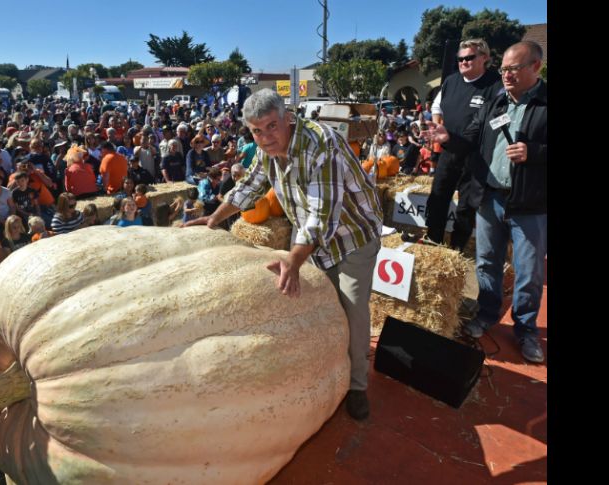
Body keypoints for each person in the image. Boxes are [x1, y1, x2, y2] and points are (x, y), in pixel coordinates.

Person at [184, 89, 382, 420]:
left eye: (272, 126)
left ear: (287, 117)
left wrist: (294, 257)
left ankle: (358, 384)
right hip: (309, 234)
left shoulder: (322, 144)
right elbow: (250, 187)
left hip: (352, 237)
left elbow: (323, 216)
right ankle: (328, 365)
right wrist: (214, 218)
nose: (265, 137)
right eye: (256, 131)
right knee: (314, 304)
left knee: (352, 309)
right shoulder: (267, 150)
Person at [426, 41, 547, 363]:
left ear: (535, 66)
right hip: (490, 197)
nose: (506, 75)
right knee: (487, 263)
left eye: (513, 69)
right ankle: (487, 314)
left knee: (529, 272)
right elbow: (474, 135)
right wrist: (449, 138)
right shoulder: (496, 102)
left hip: (530, 204)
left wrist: (534, 153)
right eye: (504, 69)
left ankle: (526, 330)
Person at [424, 38, 503, 250]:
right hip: (449, 152)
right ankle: (434, 243)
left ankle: (456, 250)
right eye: (460, 59)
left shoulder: (496, 84)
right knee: (438, 198)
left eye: (469, 57)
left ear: (484, 58)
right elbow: (437, 105)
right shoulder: (451, 81)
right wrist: (437, 125)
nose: (463, 62)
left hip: (477, 157)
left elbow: (500, 120)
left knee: (466, 208)